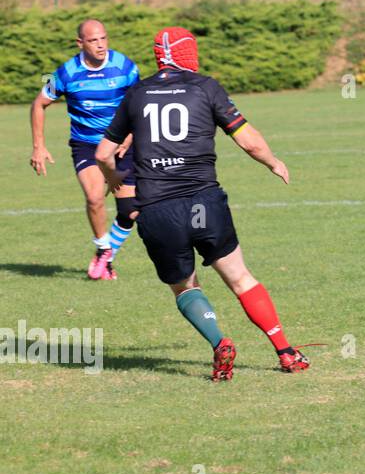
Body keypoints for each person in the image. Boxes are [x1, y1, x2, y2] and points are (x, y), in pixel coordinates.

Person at [95, 27, 310, 380]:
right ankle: (286, 352)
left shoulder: (136, 93)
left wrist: (114, 179)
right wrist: (273, 162)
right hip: (203, 203)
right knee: (240, 278)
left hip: (158, 210)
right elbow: (249, 142)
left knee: (184, 287)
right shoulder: (206, 87)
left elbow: (104, 153)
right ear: (188, 53)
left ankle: (219, 341)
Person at [30, 19, 139, 280]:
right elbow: (38, 104)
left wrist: (131, 136)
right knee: (94, 197)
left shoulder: (125, 66)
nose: (100, 45)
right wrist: (39, 146)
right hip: (86, 145)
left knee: (130, 211)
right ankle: (103, 249)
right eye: (93, 40)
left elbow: (139, 104)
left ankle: (107, 255)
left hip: (121, 145)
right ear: (80, 43)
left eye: (104, 38)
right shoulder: (65, 72)